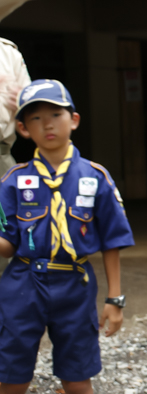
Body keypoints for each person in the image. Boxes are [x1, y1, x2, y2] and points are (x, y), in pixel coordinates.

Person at [0, 79, 135, 394]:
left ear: (73, 120)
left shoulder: (95, 177)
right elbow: (7, 243)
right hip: (22, 283)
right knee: (11, 380)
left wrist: (114, 300)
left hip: (74, 285)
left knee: (77, 381)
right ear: (22, 128)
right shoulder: (13, 181)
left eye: (55, 114)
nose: (46, 123)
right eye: (35, 117)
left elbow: (111, 240)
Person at [0, 37, 31, 273]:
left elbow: (32, 115)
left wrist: (23, 100)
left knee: (9, 238)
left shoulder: (8, 53)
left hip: (1, 156)